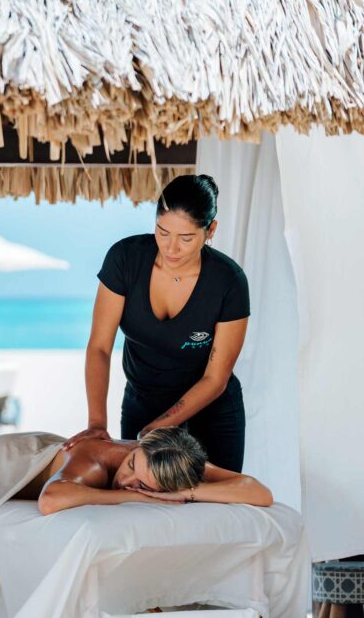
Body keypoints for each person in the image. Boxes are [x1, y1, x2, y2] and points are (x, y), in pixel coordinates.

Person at [65, 174, 251, 471]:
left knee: (213, 507)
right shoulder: (125, 260)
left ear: (210, 230)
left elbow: (215, 378)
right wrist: (97, 423)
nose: (171, 248)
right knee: (140, 505)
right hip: (142, 401)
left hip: (211, 409)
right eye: (162, 232)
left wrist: (157, 428)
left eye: (186, 238)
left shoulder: (229, 282)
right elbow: (100, 346)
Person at [20, 426, 272, 515]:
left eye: (142, 484)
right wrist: (137, 495)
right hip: (8, 460)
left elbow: (259, 493)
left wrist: (187, 493)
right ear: (139, 445)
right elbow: (51, 500)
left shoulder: (176, 459)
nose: (124, 480)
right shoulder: (94, 462)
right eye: (131, 464)